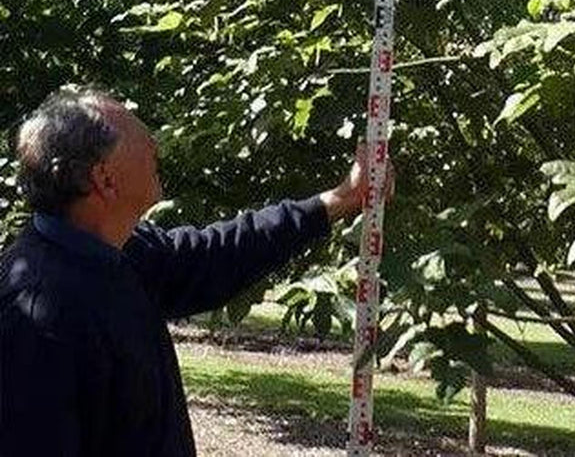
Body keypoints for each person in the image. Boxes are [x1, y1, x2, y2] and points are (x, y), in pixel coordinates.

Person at [0, 87, 394, 456]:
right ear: (105, 178)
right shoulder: (41, 311)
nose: (155, 146)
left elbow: (219, 253)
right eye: (141, 139)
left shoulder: (122, 254)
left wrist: (340, 199)